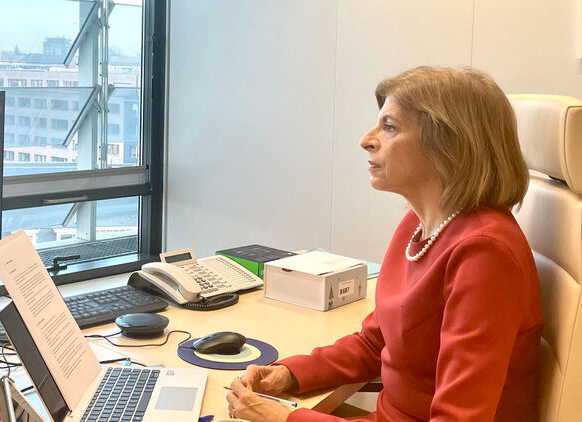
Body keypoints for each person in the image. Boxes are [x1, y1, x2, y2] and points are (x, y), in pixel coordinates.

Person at [226, 67, 544, 422]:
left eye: (389, 127)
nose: (367, 139)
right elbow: (375, 343)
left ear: (448, 145)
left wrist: (282, 418)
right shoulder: (418, 223)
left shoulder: (485, 253)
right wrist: (291, 373)